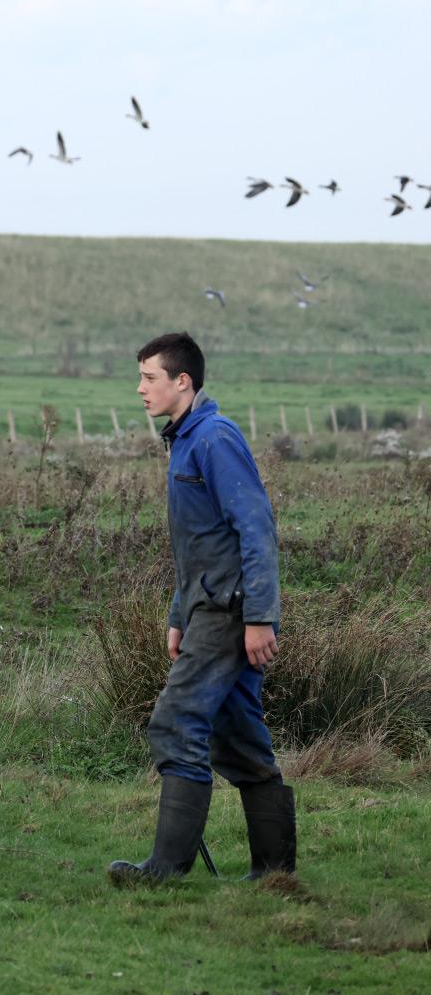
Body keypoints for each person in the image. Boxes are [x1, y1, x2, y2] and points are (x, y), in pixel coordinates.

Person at [108, 332, 296, 884]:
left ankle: (166, 870)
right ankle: (275, 871)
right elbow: (199, 543)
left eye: (149, 377)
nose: (139, 388)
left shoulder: (213, 438)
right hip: (206, 609)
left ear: (181, 381)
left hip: (231, 611)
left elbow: (255, 529)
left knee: (177, 722)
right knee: (238, 738)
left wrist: (261, 618)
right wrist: (177, 614)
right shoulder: (183, 440)